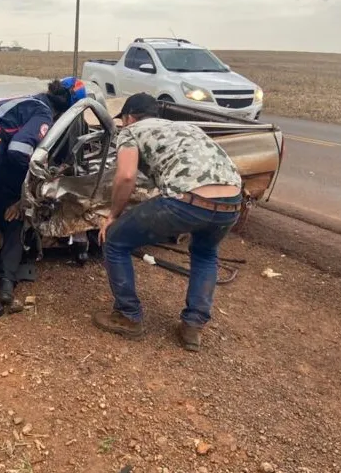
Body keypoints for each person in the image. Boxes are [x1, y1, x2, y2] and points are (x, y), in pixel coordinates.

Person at [93, 93, 243, 352]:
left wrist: (113, 215)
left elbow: (126, 177)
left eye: (123, 120)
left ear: (128, 117)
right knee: (205, 253)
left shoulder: (131, 131)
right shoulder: (185, 127)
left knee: (116, 240)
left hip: (187, 201)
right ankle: (193, 325)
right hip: (231, 202)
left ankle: (128, 316)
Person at [0, 77, 87, 322]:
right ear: (65, 110)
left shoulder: (29, 100)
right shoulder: (43, 114)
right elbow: (19, 150)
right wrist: (38, 179)